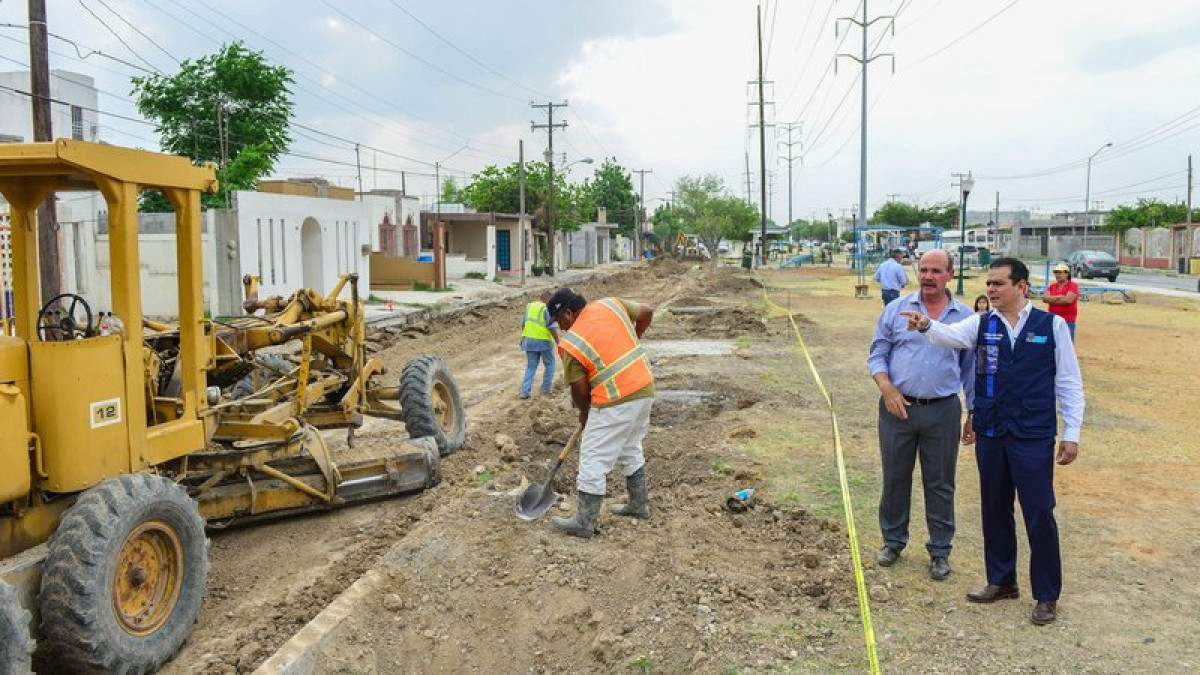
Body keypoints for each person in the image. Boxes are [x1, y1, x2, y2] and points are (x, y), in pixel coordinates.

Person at [899, 257, 1084, 626]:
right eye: (989, 283)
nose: (992, 290)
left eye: (999, 284)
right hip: (992, 431)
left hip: (1033, 433)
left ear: (1021, 287)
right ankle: (1001, 580)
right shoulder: (983, 323)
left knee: (1038, 512)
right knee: (995, 507)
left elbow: (1069, 382)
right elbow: (950, 336)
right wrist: (926, 326)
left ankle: (1046, 594)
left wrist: (1072, 433)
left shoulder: (1053, 326)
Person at [868, 249, 975, 581]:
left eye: (936, 271)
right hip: (897, 409)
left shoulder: (966, 317)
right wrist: (886, 388)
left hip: (942, 411)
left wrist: (973, 411)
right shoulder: (896, 309)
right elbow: (877, 354)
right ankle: (893, 541)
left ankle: (940, 551)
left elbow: (972, 369)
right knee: (895, 478)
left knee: (940, 483)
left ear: (950, 275)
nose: (928, 276)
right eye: (924, 270)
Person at [545, 287, 655, 539]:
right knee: (630, 446)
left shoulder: (572, 344)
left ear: (569, 313)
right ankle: (638, 505)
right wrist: (634, 340)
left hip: (617, 398)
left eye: (560, 321)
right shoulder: (611, 304)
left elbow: (580, 390)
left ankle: (584, 521)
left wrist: (585, 414)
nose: (561, 328)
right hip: (644, 387)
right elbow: (647, 312)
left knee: (593, 457)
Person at [519, 290, 560, 399]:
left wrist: (524, 337)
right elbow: (552, 328)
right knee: (550, 365)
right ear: (548, 300)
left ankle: (525, 392)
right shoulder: (546, 308)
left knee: (531, 367)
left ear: (540, 297)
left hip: (529, 341)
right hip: (543, 342)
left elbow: (523, 324)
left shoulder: (529, 307)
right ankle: (545, 390)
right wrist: (558, 342)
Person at [1042, 263, 1080, 341]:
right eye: (1056, 273)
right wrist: (1059, 297)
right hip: (1053, 319)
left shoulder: (1073, 285)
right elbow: (1045, 298)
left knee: (1066, 344)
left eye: (1060, 272)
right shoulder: (1052, 286)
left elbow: (1068, 300)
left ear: (1067, 274)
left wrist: (1051, 299)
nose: (1057, 275)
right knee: (1052, 343)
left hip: (1067, 320)